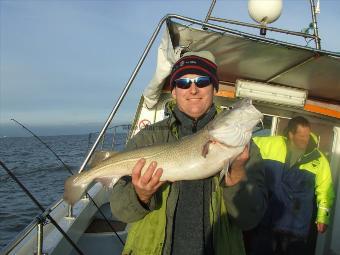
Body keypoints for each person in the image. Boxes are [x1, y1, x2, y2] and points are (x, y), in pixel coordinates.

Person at [109, 51, 267, 255]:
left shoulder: (246, 149)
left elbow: (250, 219)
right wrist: (141, 195)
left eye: (202, 81)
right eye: (183, 83)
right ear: (174, 91)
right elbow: (120, 210)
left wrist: (236, 176)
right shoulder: (148, 137)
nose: (193, 89)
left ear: (214, 88)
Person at [248, 116, 335, 255]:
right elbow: (243, 145)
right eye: (301, 136)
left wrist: (323, 217)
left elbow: (325, 189)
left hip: (296, 230)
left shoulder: (319, 160)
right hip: (267, 223)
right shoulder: (269, 144)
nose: (305, 140)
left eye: (307, 136)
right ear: (290, 134)